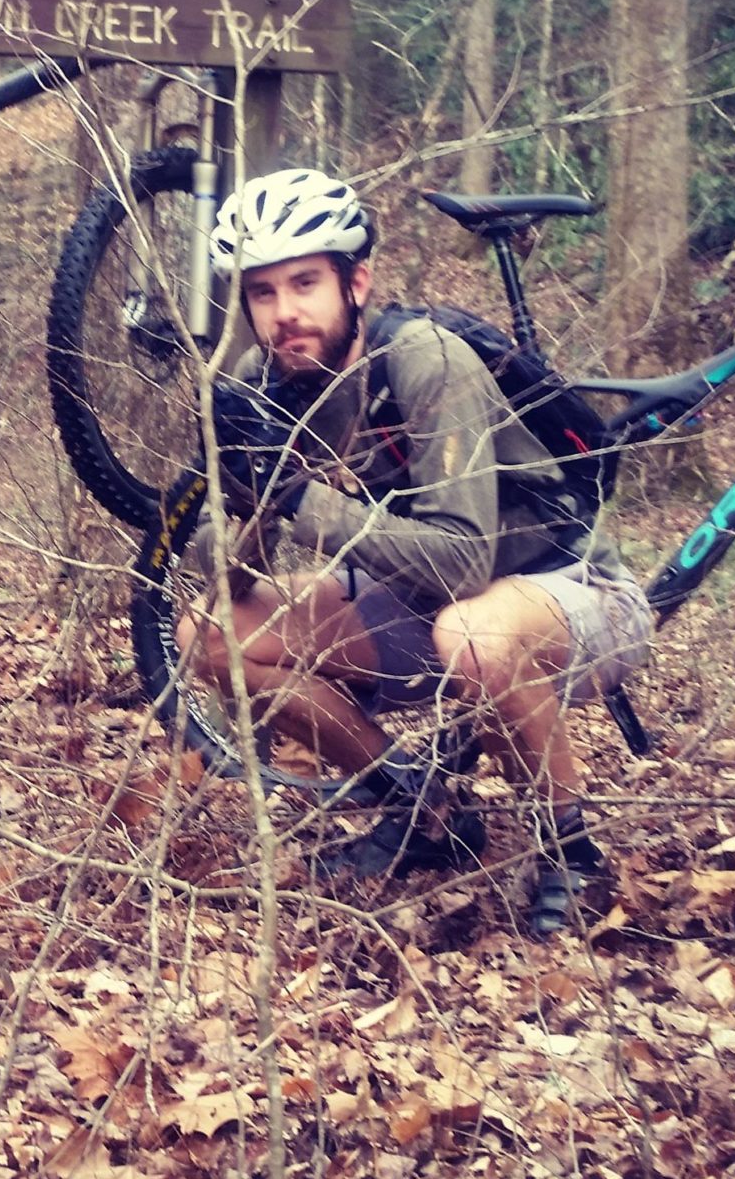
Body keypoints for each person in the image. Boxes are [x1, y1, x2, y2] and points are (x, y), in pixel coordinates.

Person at [177, 167, 654, 935]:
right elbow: (223, 562)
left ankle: (574, 852)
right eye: (262, 293)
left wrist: (301, 498)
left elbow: (464, 561)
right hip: (424, 610)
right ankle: (424, 807)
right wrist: (253, 500)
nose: (285, 313)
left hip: (573, 592)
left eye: (305, 284)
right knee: (212, 630)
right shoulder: (261, 382)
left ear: (356, 281)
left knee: (472, 632)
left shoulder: (424, 361)